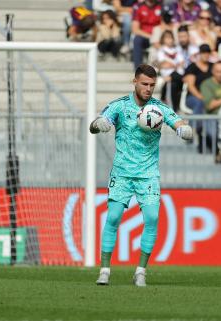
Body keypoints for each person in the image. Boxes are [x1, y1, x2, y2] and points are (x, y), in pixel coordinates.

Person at [91, 64, 193, 287]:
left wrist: (184, 129)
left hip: (148, 174)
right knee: (114, 217)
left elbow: (178, 122)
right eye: (144, 84)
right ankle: (105, 270)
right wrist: (100, 124)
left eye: (152, 85)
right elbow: (97, 123)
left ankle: (140, 272)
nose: (148, 88)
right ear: (134, 82)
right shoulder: (119, 106)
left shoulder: (159, 109)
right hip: (122, 172)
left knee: (153, 219)